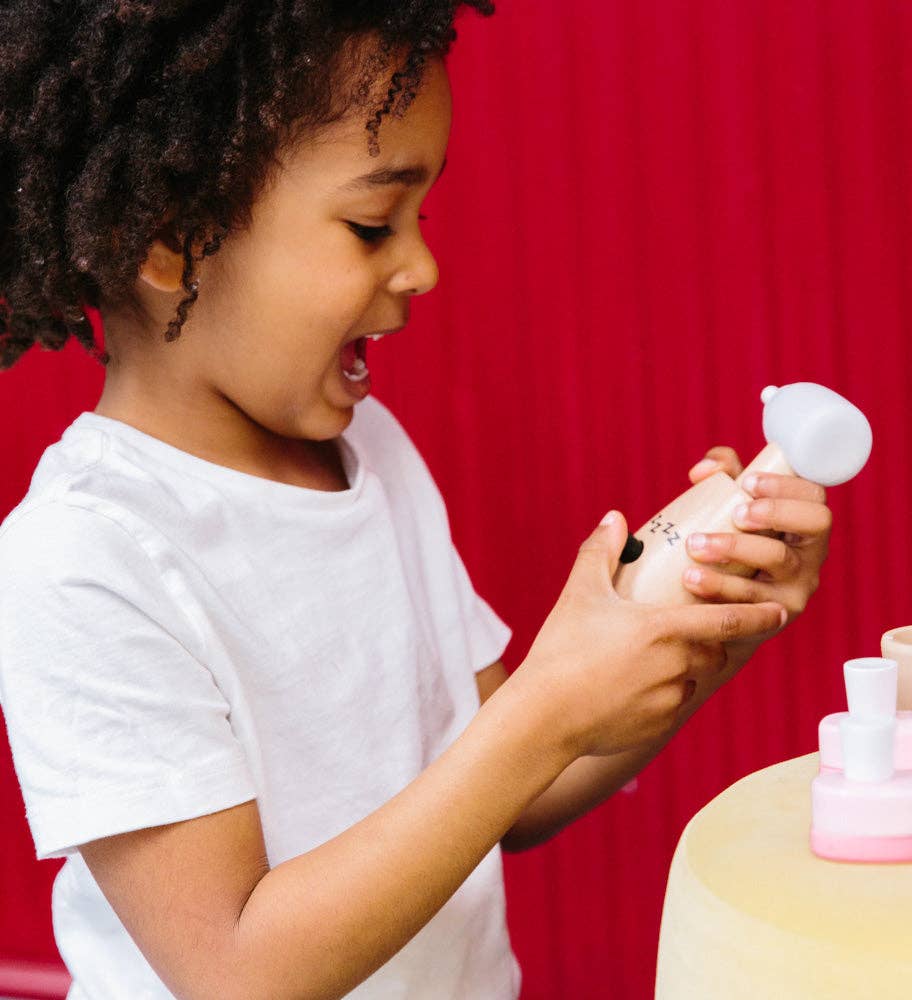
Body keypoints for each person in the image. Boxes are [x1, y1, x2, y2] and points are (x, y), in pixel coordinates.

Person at [0, 4, 833, 998]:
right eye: (370, 224)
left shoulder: (371, 453)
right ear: (175, 239)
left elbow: (513, 790)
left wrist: (701, 629)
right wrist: (543, 708)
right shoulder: (83, 556)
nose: (422, 267)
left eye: (420, 217)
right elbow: (234, 968)